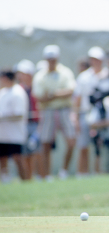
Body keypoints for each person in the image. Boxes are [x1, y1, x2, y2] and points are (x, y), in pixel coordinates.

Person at [32, 45, 77, 181]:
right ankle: (46, 175)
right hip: (48, 111)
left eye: (53, 59)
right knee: (45, 143)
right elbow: (39, 96)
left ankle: (63, 171)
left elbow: (70, 91)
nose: (52, 61)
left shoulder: (65, 72)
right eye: (49, 59)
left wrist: (51, 94)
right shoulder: (40, 75)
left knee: (71, 141)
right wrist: (58, 94)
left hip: (64, 109)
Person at [73, 46, 108, 176]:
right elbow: (77, 98)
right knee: (83, 146)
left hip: (102, 114)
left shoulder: (107, 75)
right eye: (93, 59)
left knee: (100, 146)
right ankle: (82, 173)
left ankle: (98, 172)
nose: (95, 62)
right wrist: (75, 117)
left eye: (97, 59)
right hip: (85, 112)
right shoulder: (84, 77)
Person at [0, 70, 29, 182]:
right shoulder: (3, 92)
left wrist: (3, 117)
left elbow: (19, 114)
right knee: (2, 158)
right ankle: (5, 180)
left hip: (15, 134)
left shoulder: (18, 92)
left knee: (18, 158)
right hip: (3, 134)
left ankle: (25, 181)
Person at [15, 59, 42, 180]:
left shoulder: (37, 86)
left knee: (36, 152)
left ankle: (38, 175)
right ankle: (28, 177)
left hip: (36, 123)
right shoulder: (18, 88)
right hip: (23, 124)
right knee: (25, 153)